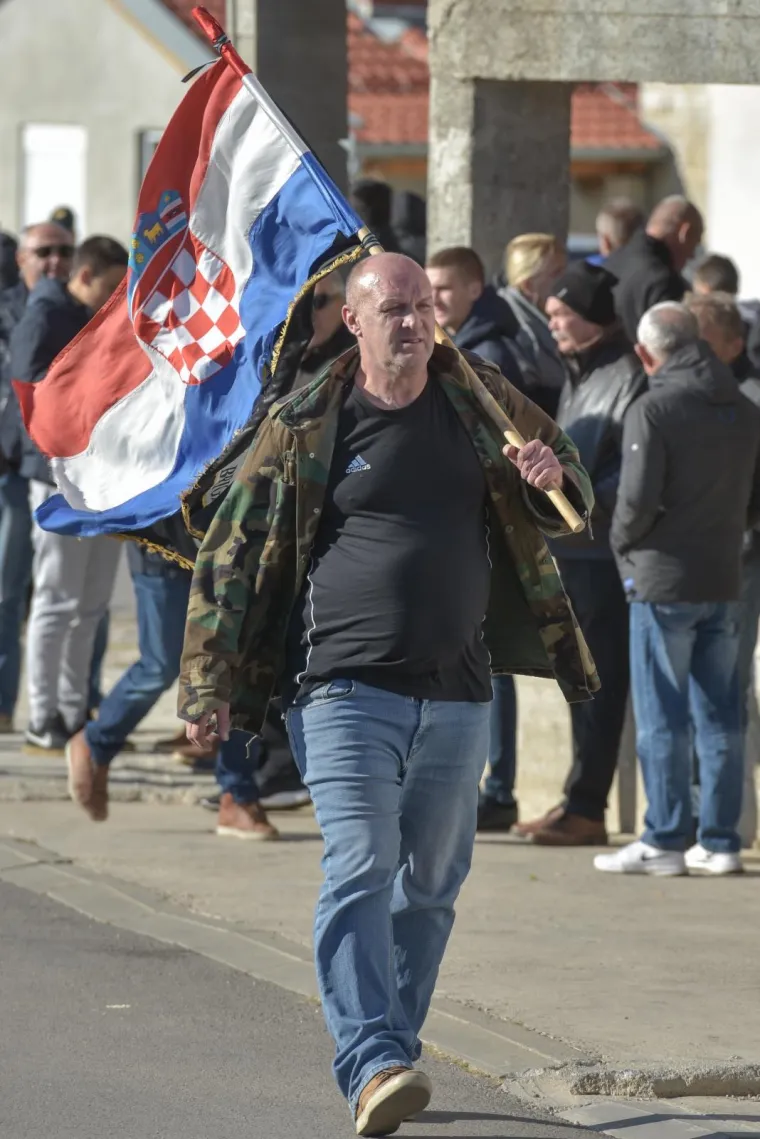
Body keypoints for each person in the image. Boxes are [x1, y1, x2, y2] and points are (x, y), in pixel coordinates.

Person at [177, 251, 597, 1135]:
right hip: (340, 687)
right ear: (355, 322)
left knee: (434, 883)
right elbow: (228, 552)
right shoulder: (306, 423)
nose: (410, 322)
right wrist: (207, 681)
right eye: (392, 310)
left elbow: (570, 484)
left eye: (422, 307)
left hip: (458, 690)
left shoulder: (478, 398)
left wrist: (556, 480)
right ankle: (370, 1055)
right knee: (361, 863)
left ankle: (391, 1055)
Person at [597, 303, 760, 877]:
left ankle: (664, 837)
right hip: (724, 575)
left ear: (647, 354)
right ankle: (720, 841)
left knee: (663, 714)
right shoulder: (743, 408)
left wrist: (621, 548)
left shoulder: (655, 407)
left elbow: (635, 503)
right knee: (722, 712)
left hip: (664, 579)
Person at [514, 261, 646, 846]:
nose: (554, 327)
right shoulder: (580, 371)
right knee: (578, 678)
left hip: (601, 556)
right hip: (570, 552)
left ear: (591, 319)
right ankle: (576, 798)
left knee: (602, 681)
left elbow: (627, 475)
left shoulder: (627, 375)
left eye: (563, 315)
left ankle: (588, 806)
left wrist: (581, 503)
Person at [11, 235, 128, 751]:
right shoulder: (46, 315)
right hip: (58, 478)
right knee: (56, 602)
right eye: (109, 286)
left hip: (103, 478)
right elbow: (29, 393)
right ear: (84, 276)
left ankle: (74, 709)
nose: (116, 296)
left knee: (91, 606)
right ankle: (42, 715)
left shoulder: (96, 317)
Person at [426, 245, 524, 833]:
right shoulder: (460, 344)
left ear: (474, 288)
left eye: (443, 290)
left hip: (483, 529)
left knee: (490, 664)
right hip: (463, 530)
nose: (434, 301)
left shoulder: (486, 354)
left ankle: (500, 786)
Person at [0, 221, 75, 732]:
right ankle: (6, 706)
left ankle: (72, 705)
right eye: (43, 251)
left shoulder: (76, 310)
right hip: (10, 464)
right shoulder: (13, 308)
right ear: (23, 258)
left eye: (63, 251)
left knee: (67, 594)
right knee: (8, 592)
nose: (54, 260)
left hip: (46, 465)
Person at [605, 195, 704, 343]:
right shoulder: (665, 282)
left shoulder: (611, 262)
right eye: (694, 244)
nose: (692, 256)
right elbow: (673, 347)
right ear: (685, 233)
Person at [426, 246, 523, 385]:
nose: (433, 299)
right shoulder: (453, 345)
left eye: (444, 288)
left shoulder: (487, 359)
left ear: (474, 291)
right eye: (428, 288)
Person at [498, 233, 567, 417]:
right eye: (556, 273)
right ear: (528, 285)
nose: (566, 279)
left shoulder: (541, 318)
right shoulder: (514, 329)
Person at [292, 271, 354, 390]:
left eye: (318, 302)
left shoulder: (358, 356)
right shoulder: (287, 361)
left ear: (343, 300)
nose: (309, 315)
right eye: (301, 307)